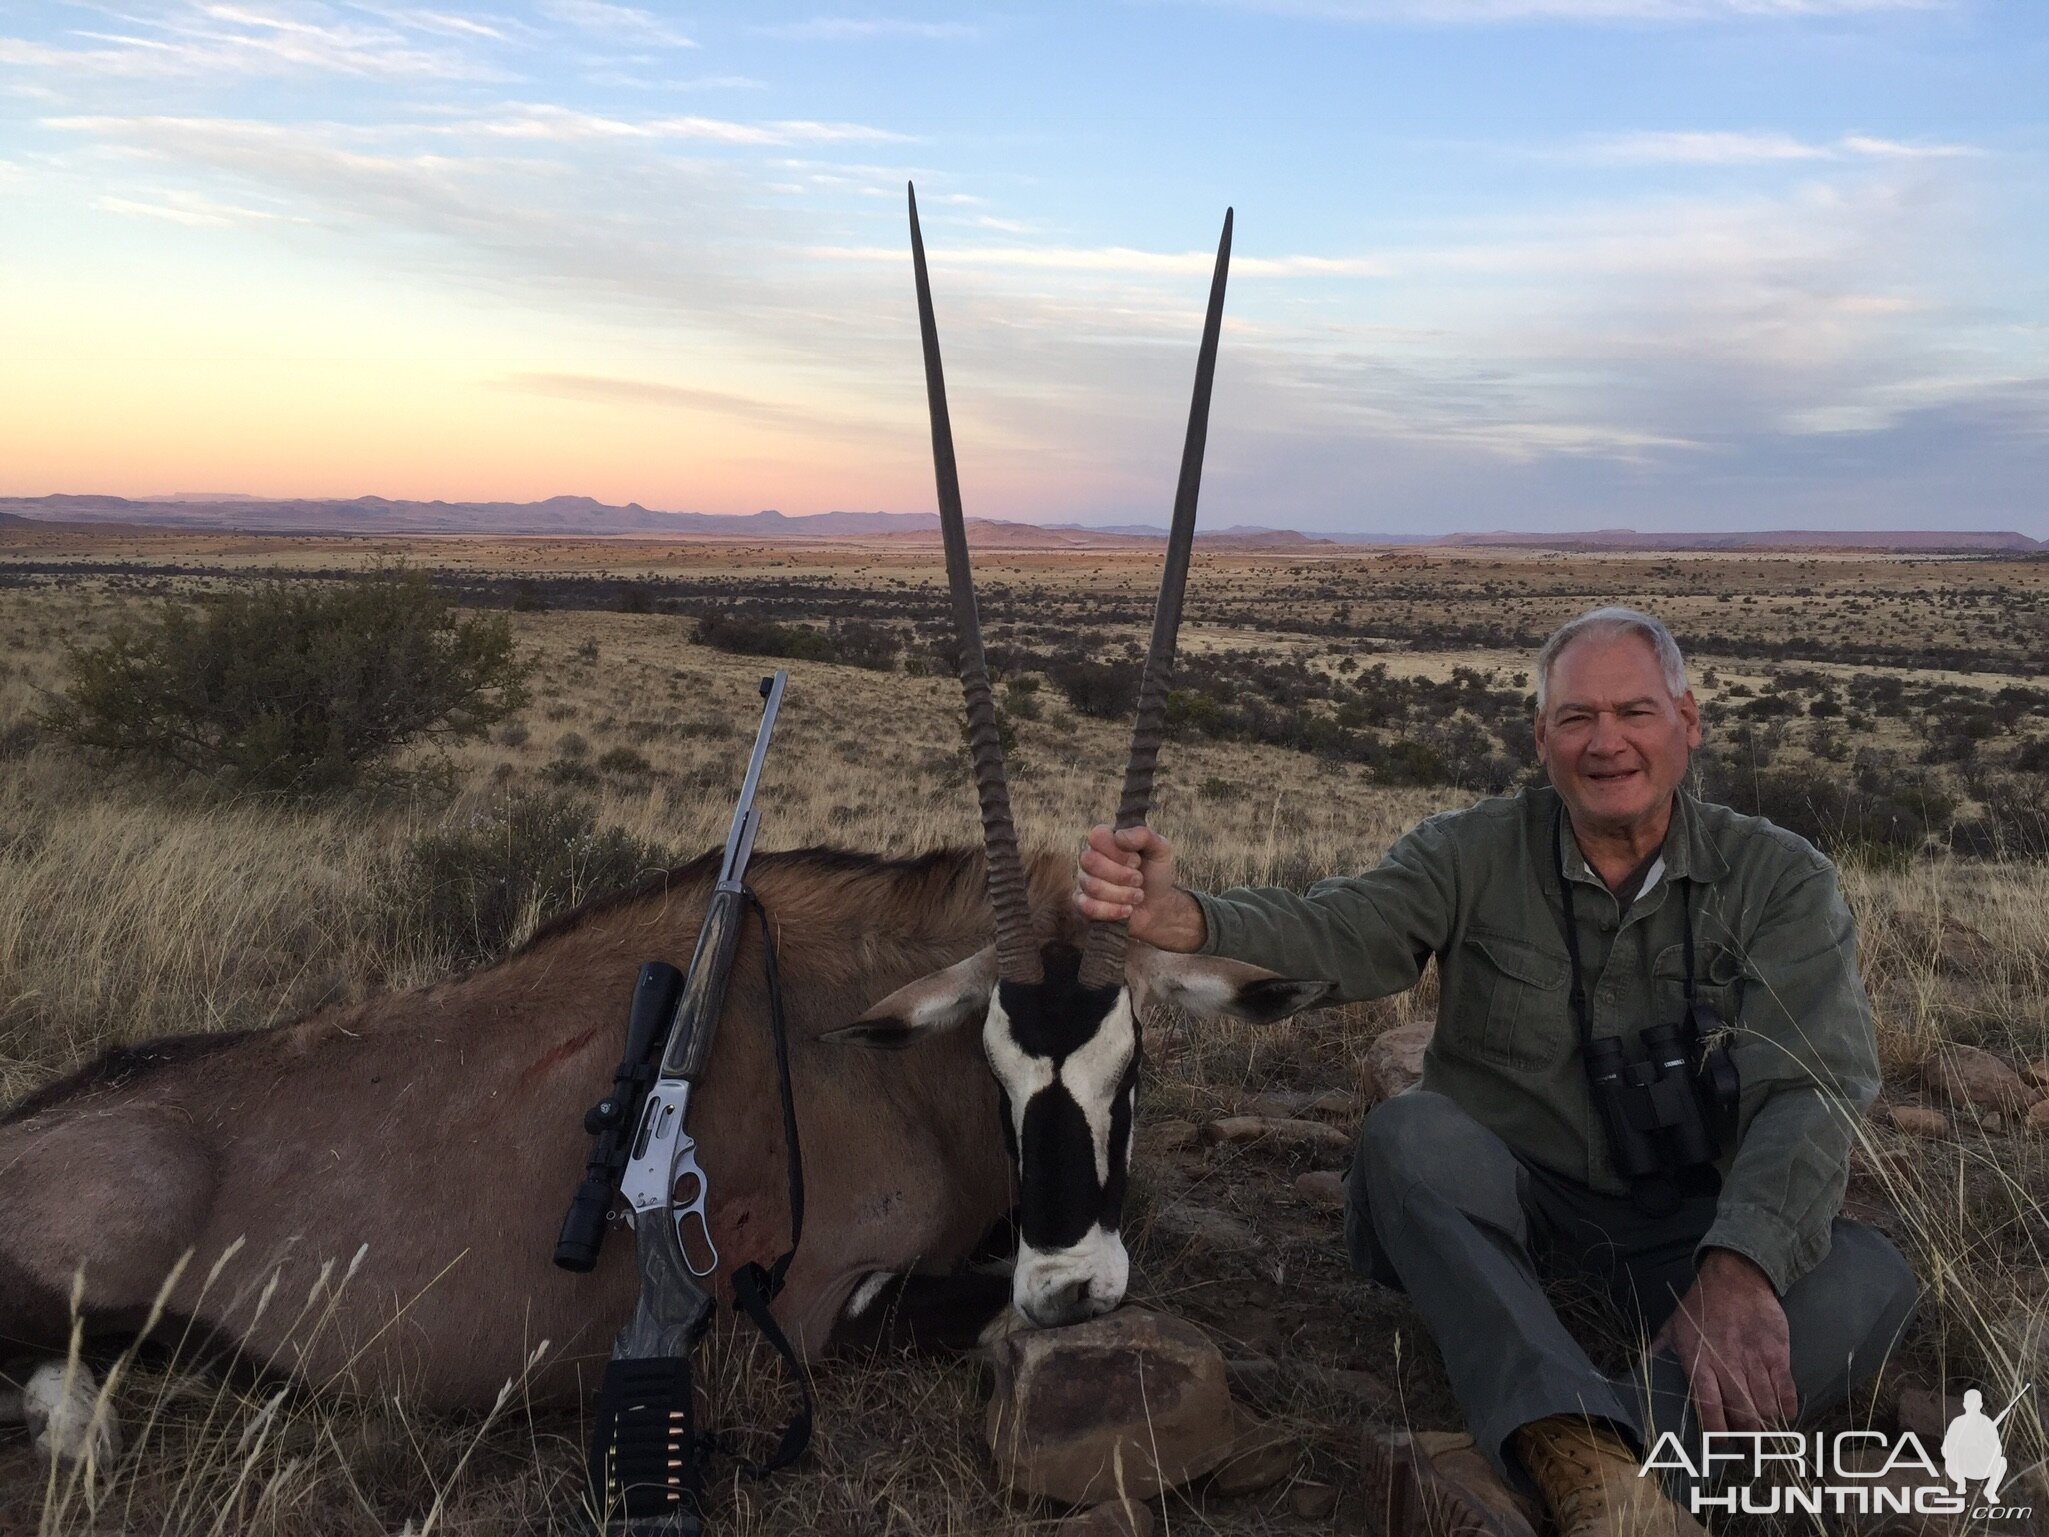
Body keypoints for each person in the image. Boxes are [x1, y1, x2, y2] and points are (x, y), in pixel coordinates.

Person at [1076, 607, 1919, 1537]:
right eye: (1575, 718)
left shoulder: (1781, 879)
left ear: (1688, 723)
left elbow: (1811, 1086)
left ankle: (1592, 1458)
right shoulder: (1466, 848)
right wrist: (1188, 919)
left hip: (1693, 1229)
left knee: (1868, 1275)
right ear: (1540, 737)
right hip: (1513, 1217)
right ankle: (1612, 1450)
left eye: (1635, 712)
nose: (1606, 744)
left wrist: (1739, 1264)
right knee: (1409, 1136)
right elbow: (1342, 930)